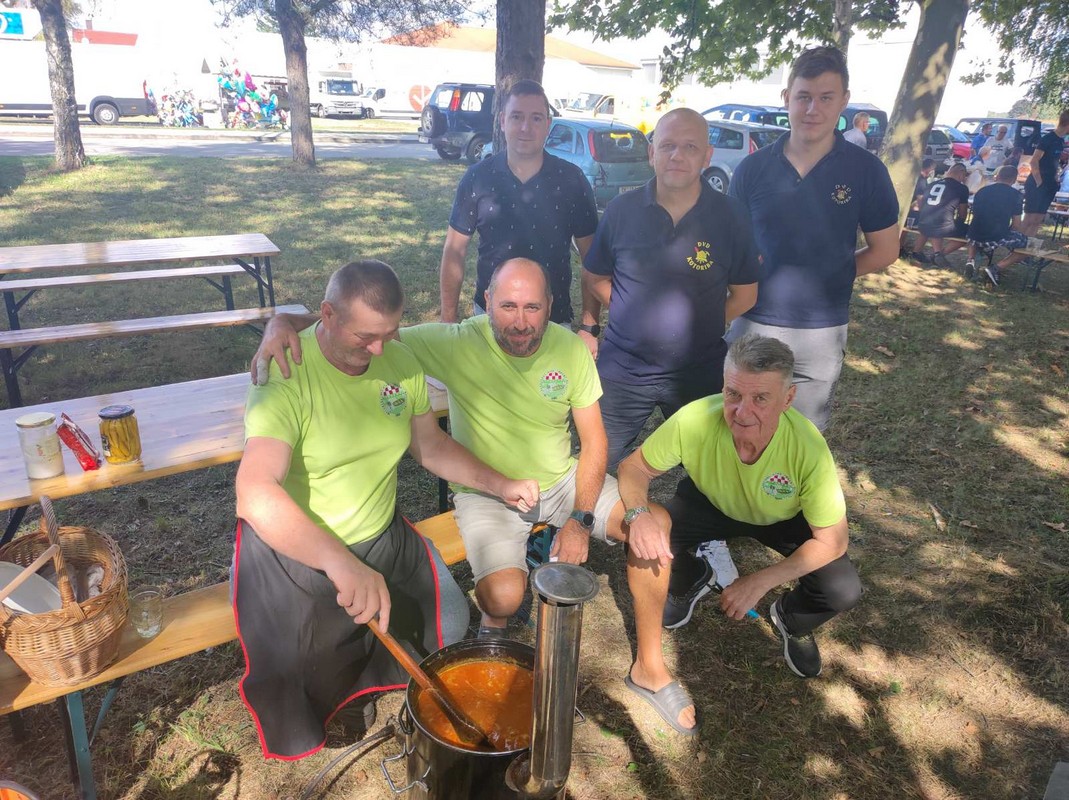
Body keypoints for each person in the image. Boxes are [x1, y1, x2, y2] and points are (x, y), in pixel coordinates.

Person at [253, 259, 705, 736]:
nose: (520, 320)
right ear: (486, 302)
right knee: (503, 596)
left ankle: (650, 669)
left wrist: (579, 518)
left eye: (533, 306)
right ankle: (497, 627)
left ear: (551, 306)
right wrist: (284, 321)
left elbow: (595, 444)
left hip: (562, 482)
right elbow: (365, 324)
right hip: (490, 494)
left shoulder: (569, 349)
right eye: (507, 305)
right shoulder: (453, 341)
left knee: (652, 525)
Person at [234, 260, 539, 759]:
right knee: (304, 661)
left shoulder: (397, 361)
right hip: (302, 548)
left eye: (389, 334)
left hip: (380, 532)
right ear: (326, 316)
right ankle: (343, 703)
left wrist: (499, 483)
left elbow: (430, 447)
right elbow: (254, 491)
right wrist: (338, 561)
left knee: (452, 619)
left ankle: (368, 683)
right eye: (365, 337)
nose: (378, 350)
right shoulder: (286, 373)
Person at [580, 107, 760, 591]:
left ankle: (702, 536)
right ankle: (579, 529)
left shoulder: (729, 215)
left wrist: (700, 324)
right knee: (601, 453)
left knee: (707, 460)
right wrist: (631, 310)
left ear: (705, 154)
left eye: (690, 147)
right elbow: (594, 274)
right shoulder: (621, 210)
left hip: (697, 367)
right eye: (667, 145)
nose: (677, 155)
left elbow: (745, 293)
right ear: (651, 150)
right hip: (624, 366)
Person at [618, 333, 860, 688]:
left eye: (761, 398)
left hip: (782, 517)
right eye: (733, 394)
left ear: (788, 398)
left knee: (841, 589)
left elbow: (834, 541)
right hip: (709, 501)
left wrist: (760, 581)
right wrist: (638, 515)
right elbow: (633, 468)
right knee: (637, 535)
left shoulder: (808, 448)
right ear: (723, 385)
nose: (742, 412)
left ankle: (792, 619)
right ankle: (691, 578)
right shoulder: (696, 419)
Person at [726, 45, 899, 432]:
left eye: (825, 98)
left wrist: (834, 270)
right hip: (753, 319)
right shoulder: (752, 169)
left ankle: (788, 497)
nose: (812, 109)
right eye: (803, 97)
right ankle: (731, 497)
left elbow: (886, 250)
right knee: (741, 430)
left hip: (821, 329)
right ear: (787, 98)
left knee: (802, 439)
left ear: (844, 102)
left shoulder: (866, 171)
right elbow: (732, 247)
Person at [439, 79, 598, 325]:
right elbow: (454, 251)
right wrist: (448, 319)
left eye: (536, 118)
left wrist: (590, 324)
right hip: (490, 318)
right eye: (516, 117)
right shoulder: (477, 177)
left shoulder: (571, 180)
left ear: (548, 125)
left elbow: (592, 259)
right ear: (502, 121)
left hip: (552, 320)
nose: (526, 127)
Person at [964, 164, 1029, 286]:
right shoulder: (1016, 195)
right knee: (1026, 246)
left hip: (973, 232)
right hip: (996, 234)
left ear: (997, 176)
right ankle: (996, 268)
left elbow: (976, 214)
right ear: (1014, 179)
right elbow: (1016, 224)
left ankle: (970, 259)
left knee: (976, 231)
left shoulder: (982, 191)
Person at [910, 162, 970, 268]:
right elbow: (962, 214)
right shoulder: (962, 188)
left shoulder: (932, 184)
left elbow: (923, 203)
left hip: (923, 222)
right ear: (961, 173)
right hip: (941, 227)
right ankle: (939, 254)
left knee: (934, 222)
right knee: (969, 233)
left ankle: (916, 252)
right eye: (965, 176)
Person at [1021, 109, 1069, 236]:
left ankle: (1028, 248)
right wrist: (1039, 181)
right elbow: (1034, 161)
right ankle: (1017, 244)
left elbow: (1052, 160)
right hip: (1038, 183)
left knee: (1038, 219)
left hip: (1050, 183)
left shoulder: (1060, 140)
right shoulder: (1048, 139)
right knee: (1029, 218)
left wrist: (1056, 175)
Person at [901, 158, 936, 258]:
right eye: (933, 169)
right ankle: (917, 251)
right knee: (927, 226)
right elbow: (919, 199)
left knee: (905, 229)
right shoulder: (921, 181)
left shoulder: (918, 177)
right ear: (929, 168)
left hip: (908, 208)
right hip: (912, 210)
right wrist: (925, 212)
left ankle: (900, 247)